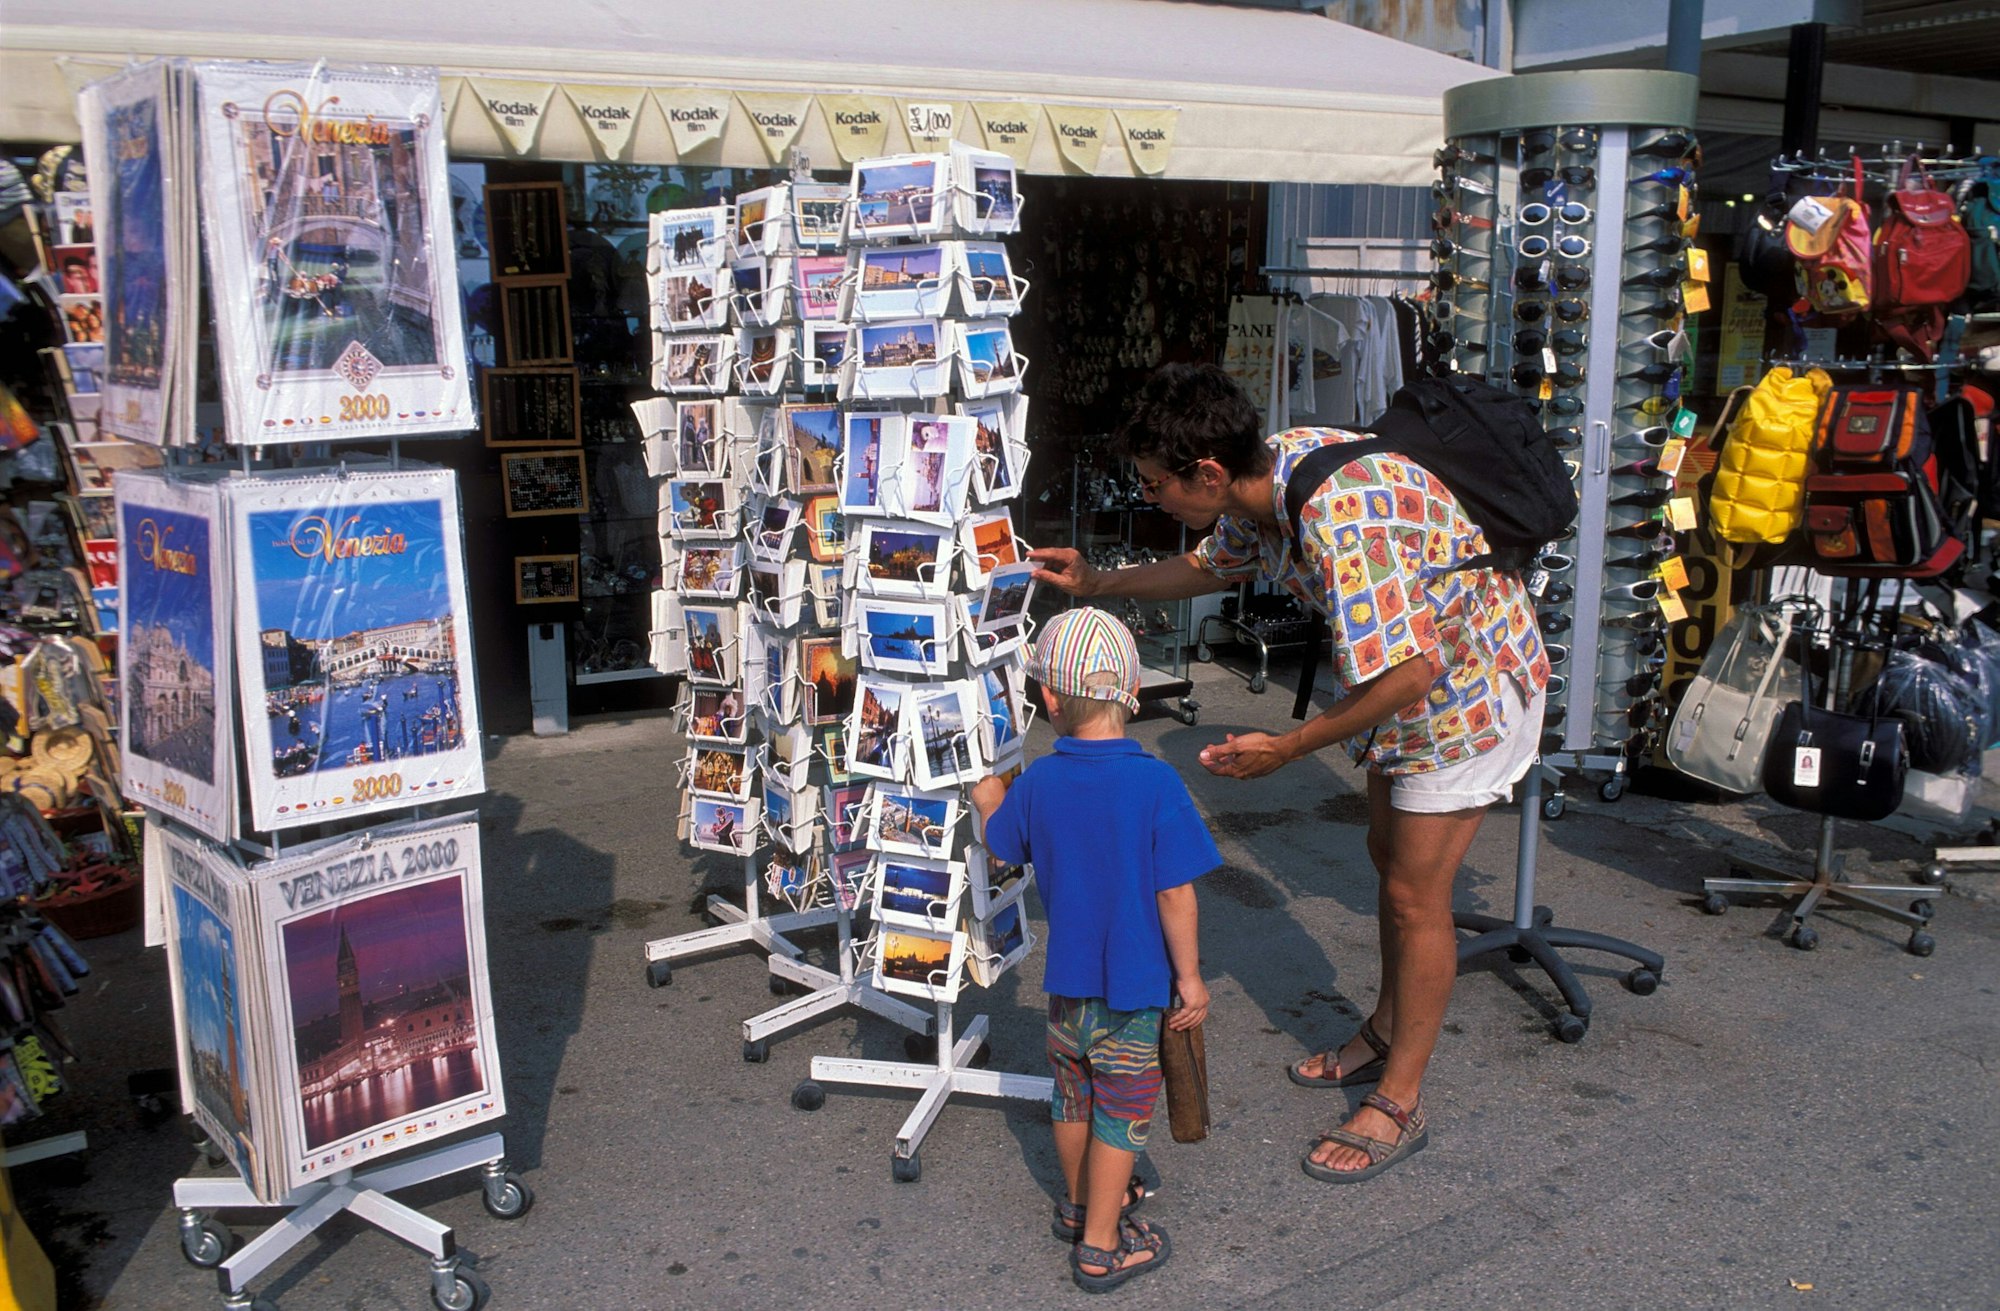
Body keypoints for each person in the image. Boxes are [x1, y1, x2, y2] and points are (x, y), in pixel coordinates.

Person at [1029, 363, 1550, 1186]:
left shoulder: (1340, 514)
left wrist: (1289, 746)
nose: (1153, 497)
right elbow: (1211, 569)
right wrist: (1099, 583)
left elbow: (1410, 674)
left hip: (1469, 690)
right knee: (1390, 862)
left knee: (1420, 895)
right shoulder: (1263, 479)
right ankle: (1383, 1028)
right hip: (1405, 688)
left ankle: (1400, 1097)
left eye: (1158, 484)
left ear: (1207, 471)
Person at [968, 607, 1219, 1294]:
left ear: (1048, 697)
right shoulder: (1158, 784)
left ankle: (1080, 1204)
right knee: (1123, 1108)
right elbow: (1176, 896)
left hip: (1067, 993)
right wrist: (1191, 978)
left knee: (1073, 1096)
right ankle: (1101, 1245)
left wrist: (990, 798)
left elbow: (1002, 844)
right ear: (1133, 692)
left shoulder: (1041, 782)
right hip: (1134, 996)